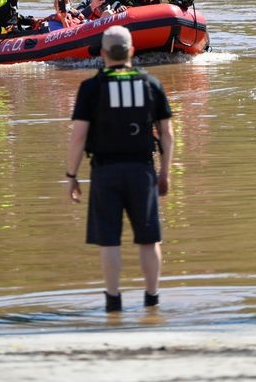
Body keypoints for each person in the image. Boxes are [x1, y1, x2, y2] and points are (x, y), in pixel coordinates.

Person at [66, 25, 175, 312]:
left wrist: (71, 175)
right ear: (133, 51)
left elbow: (78, 136)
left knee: (109, 241)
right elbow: (167, 133)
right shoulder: (151, 84)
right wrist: (165, 172)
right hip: (142, 169)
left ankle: (113, 302)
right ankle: (152, 301)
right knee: (149, 240)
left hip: (105, 171)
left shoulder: (90, 88)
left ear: (102, 54)